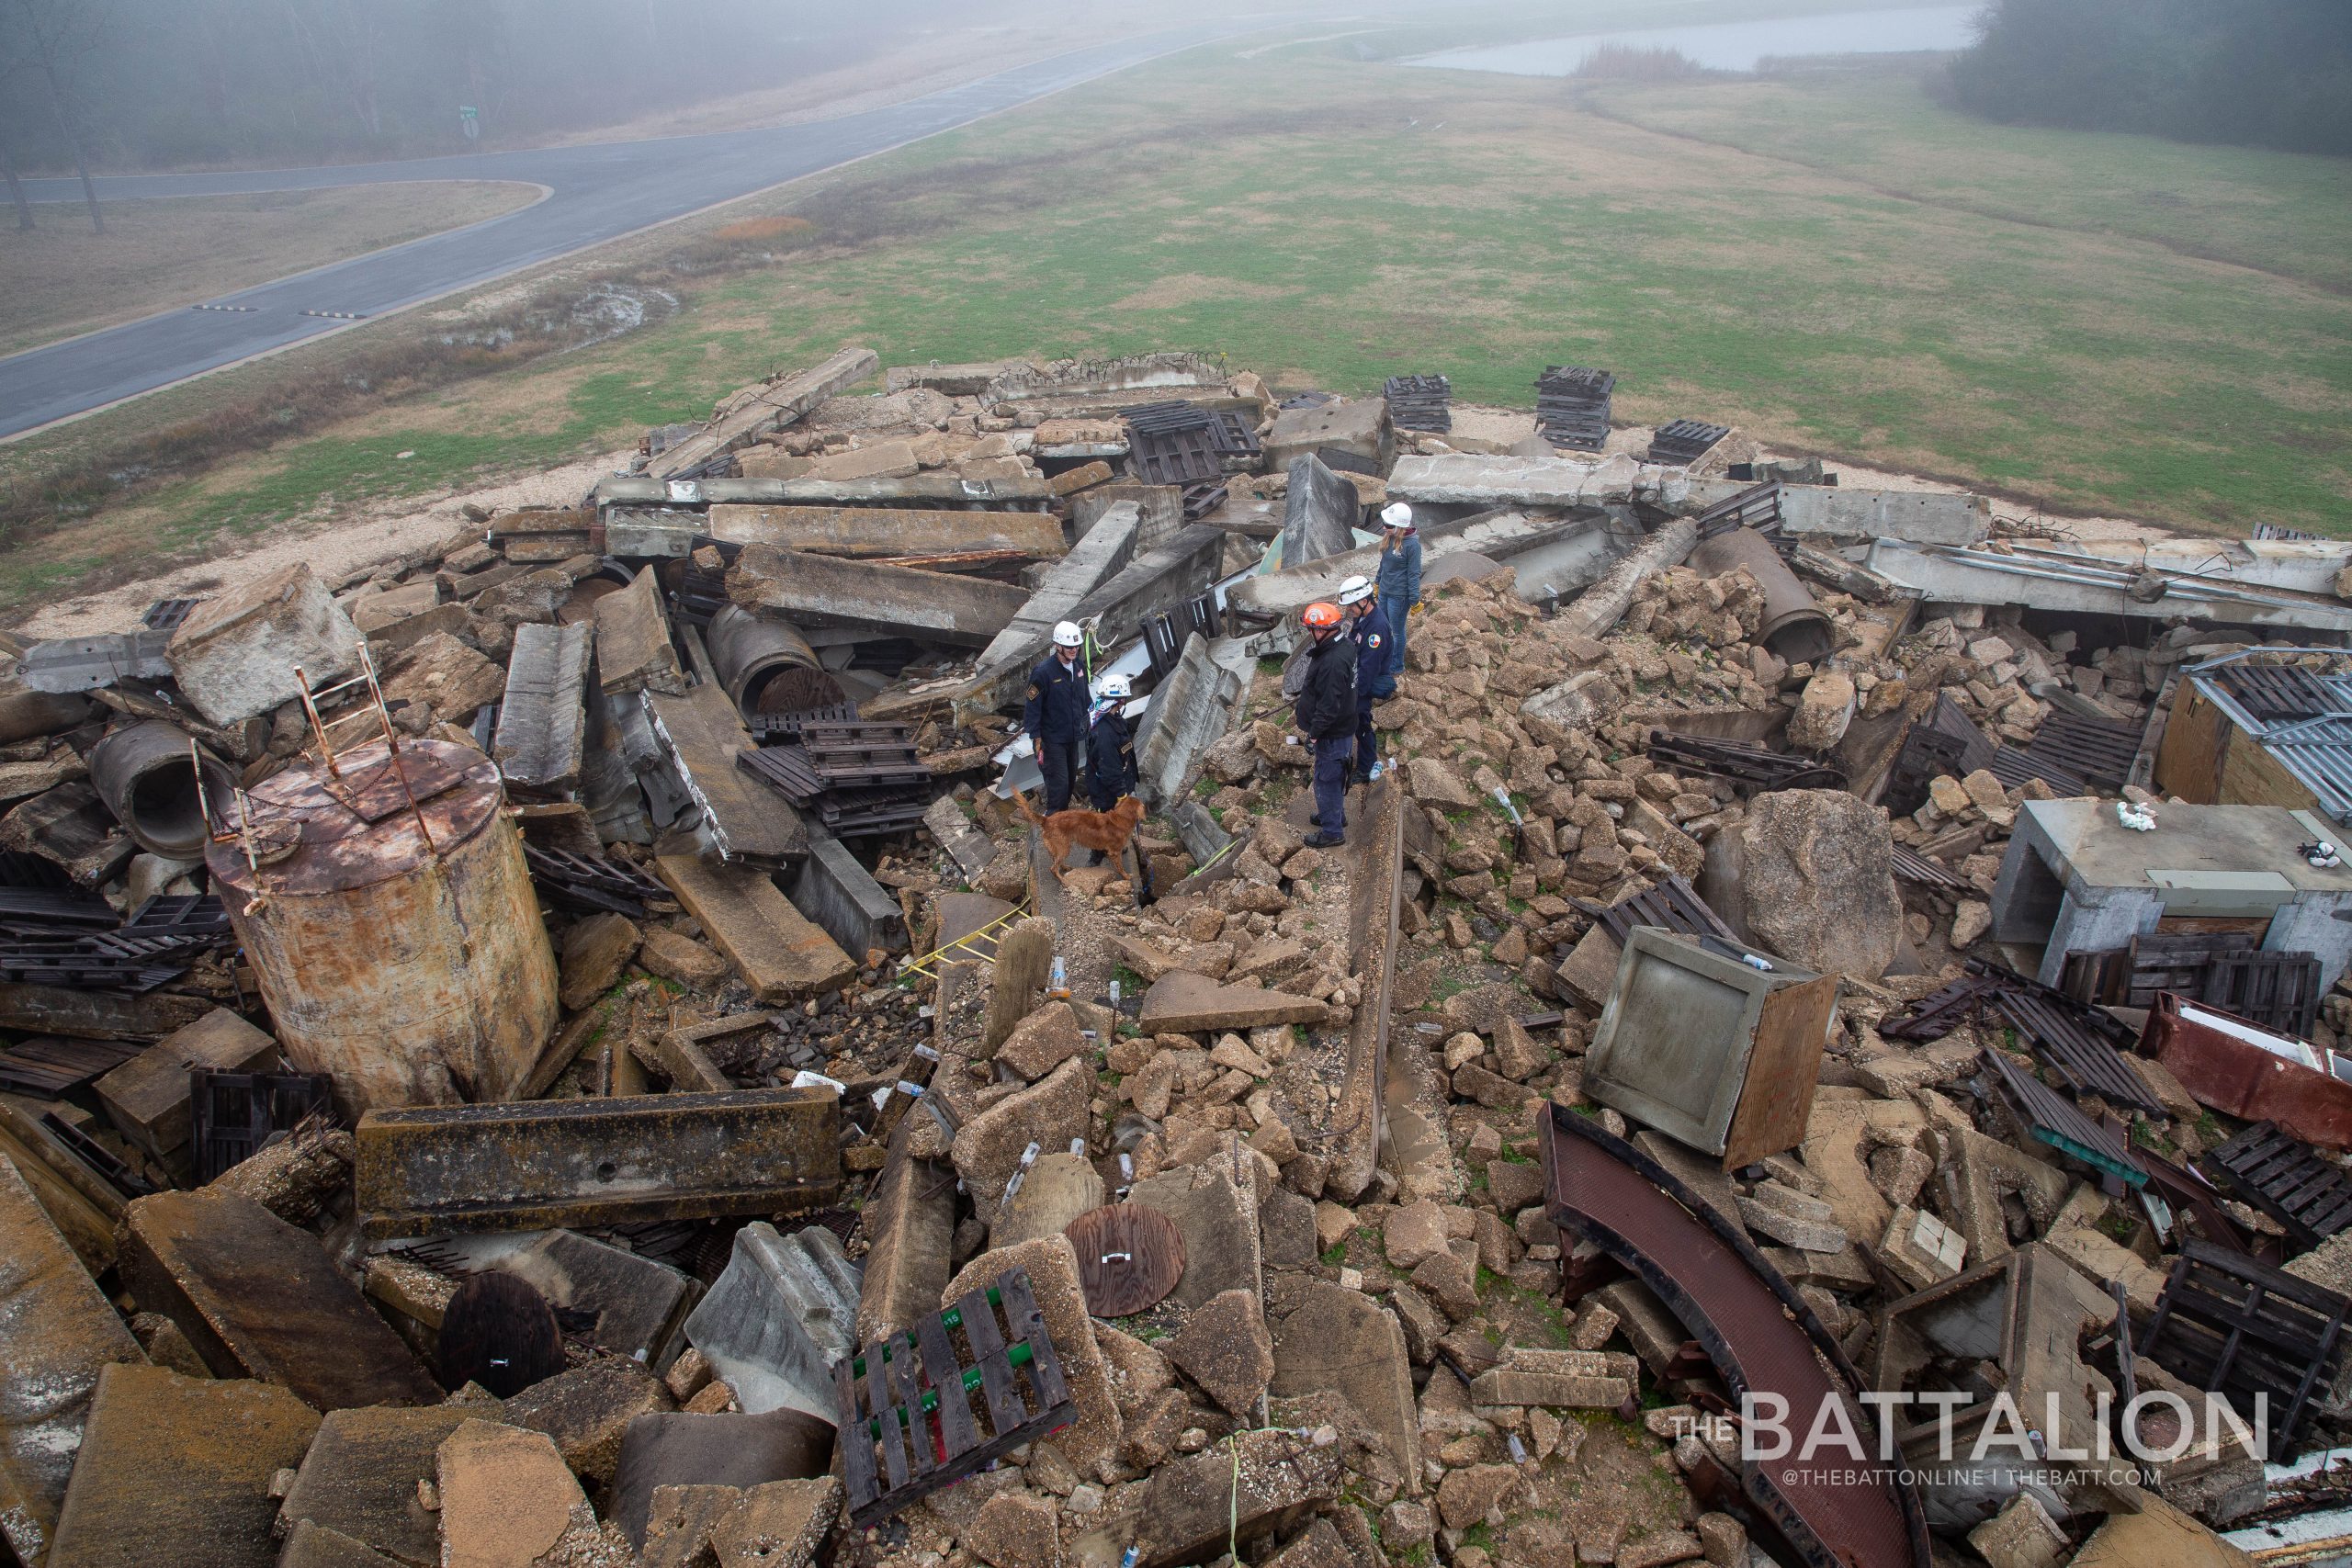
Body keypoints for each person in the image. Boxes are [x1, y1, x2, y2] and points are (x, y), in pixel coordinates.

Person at [1295, 601, 1357, 849]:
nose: (1314, 633)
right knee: (1335, 773)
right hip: (1342, 726)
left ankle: (1332, 832)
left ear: (1322, 630)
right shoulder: (1345, 646)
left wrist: (1313, 735)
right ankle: (1335, 816)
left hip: (1332, 732)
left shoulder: (1332, 662)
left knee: (1327, 779)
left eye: (1315, 629)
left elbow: (1329, 706)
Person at [1022, 621, 1089, 812]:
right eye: (1069, 647)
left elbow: (1085, 698)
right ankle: (1051, 829)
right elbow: (1032, 708)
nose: (1074, 650)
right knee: (1058, 788)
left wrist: (1093, 719)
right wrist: (1036, 738)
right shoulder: (1043, 672)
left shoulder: (1078, 667)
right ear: (1058, 646)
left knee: (1068, 784)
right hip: (1052, 742)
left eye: (1076, 646)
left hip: (1073, 738)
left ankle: (1060, 827)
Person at [1338, 575, 1393, 784]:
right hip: (1358, 675)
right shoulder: (1363, 619)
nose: (1349, 610)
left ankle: (1366, 766)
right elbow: (1353, 644)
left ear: (1364, 601)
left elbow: (1369, 668)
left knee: (1361, 722)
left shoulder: (1376, 628)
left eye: (1351, 605)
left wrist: (1354, 693)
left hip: (1366, 682)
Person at [1376, 502, 1421, 682]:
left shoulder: (1412, 546)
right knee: (1383, 628)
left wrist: (1415, 600)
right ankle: (1384, 660)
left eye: (1388, 525)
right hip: (1385, 591)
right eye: (1385, 524)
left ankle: (1396, 666)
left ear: (1400, 527)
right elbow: (1383, 564)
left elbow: (1414, 573)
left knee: (1396, 631)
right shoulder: (1389, 539)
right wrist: (1377, 583)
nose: (1384, 527)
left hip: (1399, 596)